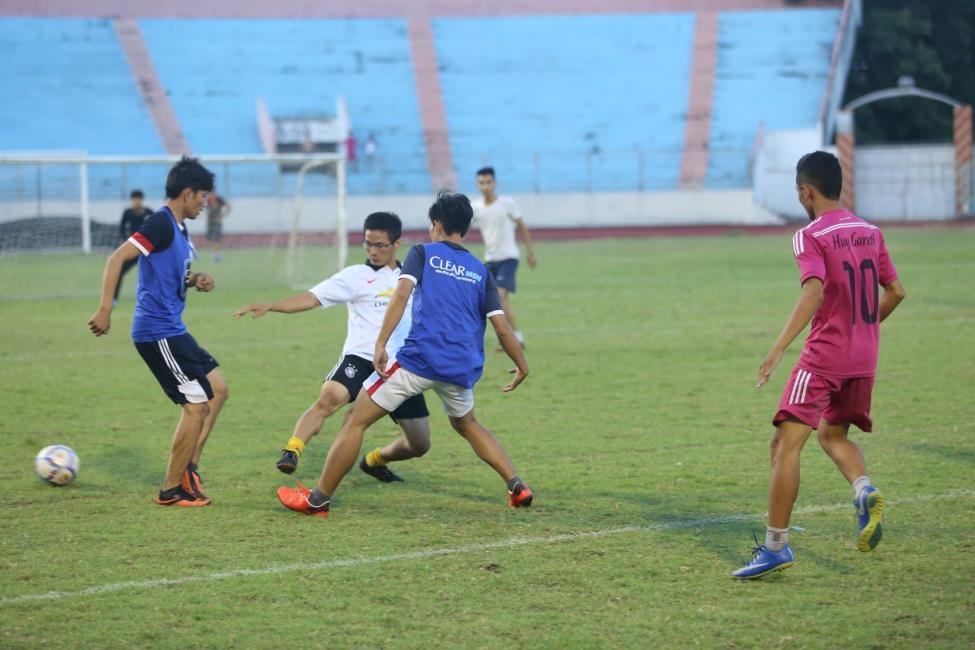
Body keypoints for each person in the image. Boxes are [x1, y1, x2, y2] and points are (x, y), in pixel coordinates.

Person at [276, 190, 534, 518]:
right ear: (467, 228)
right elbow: (502, 328)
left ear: (436, 224)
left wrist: (380, 343)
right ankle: (516, 485)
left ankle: (317, 500)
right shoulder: (480, 270)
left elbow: (400, 296)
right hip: (461, 367)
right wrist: (522, 365)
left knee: (355, 420)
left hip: (419, 361)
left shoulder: (423, 253)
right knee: (468, 424)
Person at [732, 151, 906, 579]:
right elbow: (896, 292)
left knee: (783, 446)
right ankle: (863, 490)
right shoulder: (870, 232)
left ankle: (776, 548)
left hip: (824, 357)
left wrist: (777, 349)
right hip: (863, 358)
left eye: (798, 192)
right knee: (832, 434)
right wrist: (862, 329)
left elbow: (813, 291)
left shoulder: (810, 235)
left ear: (806, 191)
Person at [233, 212, 431, 483]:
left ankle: (374, 460)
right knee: (328, 399)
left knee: (419, 443)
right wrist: (271, 305)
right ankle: (292, 450)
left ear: (397, 244)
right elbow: (312, 298)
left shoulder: (411, 277)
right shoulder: (355, 276)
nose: (373, 251)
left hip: (399, 365)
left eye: (380, 245)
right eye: (368, 243)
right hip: (361, 357)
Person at [87, 156, 228, 507]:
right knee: (196, 406)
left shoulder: (179, 229)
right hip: (157, 331)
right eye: (202, 197)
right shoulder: (161, 223)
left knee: (218, 390)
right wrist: (105, 309)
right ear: (187, 193)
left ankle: (189, 468)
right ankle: (171, 489)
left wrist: (195, 279)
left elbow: (172, 274)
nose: (204, 204)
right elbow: (116, 259)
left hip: (173, 328)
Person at [471, 166, 537, 347]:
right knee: (487, 300)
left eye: (488, 182)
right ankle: (507, 338)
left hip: (508, 257)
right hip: (490, 259)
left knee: (500, 296)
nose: (485, 186)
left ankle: (516, 338)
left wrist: (530, 252)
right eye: (481, 183)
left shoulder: (507, 203)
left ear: (495, 183)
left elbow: (521, 225)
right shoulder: (475, 208)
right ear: (477, 185)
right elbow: (464, 228)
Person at [115, 189, 153, 303]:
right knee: (119, 270)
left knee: (155, 273)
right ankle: (114, 298)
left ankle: (153, 297)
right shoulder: (127, 213)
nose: (137, 202)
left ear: (142, 200)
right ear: (131, 200)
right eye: (134, 199)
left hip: (146, 250)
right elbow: (122, 228)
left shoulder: (149, 213)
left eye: (139, 199)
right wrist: (125, 241)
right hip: (133, 249)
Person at [205, 191, 231, 263]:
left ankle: (217, 255)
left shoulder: (219, 199)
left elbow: (228, 207)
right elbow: (204, 209)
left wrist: (223, 215)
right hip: (210, 222)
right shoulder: (208, 200)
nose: (212, 195)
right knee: (210, 239)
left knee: (216, 238)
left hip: (217, 222)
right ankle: (214, 254)